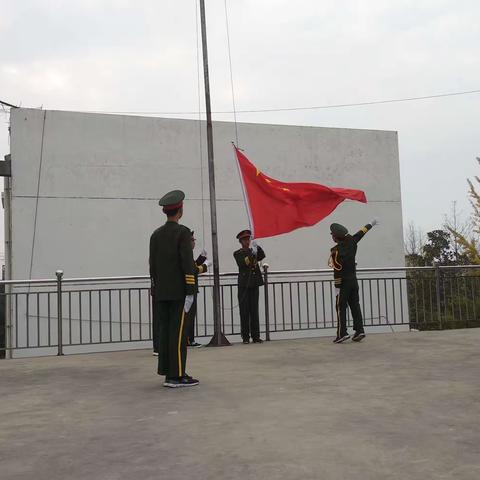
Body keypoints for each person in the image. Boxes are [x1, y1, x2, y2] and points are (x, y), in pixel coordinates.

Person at [149, 189, 199, 387]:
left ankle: (168, 371)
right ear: (180, 209)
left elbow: (152, 266)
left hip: (161, 292)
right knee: (178, 334)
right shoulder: (182, 232)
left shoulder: (156, 235)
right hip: (179, 292)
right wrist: (190, 290)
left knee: (166, 332)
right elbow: (187, 263)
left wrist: (156, 288)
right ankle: (176, 375)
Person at [328, 219, 378, 343]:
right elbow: (361, 232)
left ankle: (342, 333)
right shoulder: (352, 241)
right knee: (355, 305)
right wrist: (370, 224)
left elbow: (337, 270)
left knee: (340, 307)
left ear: (335, 237)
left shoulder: (335, 251)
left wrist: (337, 287)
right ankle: (359, 330)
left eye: (333, 235)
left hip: (343, 283)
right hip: (353, 281)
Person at [233, 230, 266, 344]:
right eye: (245, 240)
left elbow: (262, 256)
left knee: (254, 311)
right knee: (244, 312)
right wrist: (253, 254)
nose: (247, 242)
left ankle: (256, 336)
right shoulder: (238, 253)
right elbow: (244, 263)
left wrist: (258, 248)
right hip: (244, 286)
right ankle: (245, 337)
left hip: (254, 284)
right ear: (241, 242)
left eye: (248, 239)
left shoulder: (254, 251)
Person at [186, 231, 210, 348]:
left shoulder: (188, 253)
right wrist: (205, 266)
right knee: (189, 316)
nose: (194, 242)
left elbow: (194, 264)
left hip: (191, 289)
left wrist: (202, 258)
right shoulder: (186, 254)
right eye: (192, 240)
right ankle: (189, 340)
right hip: (189, 289)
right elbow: (193, 269)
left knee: (191, 315)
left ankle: (190, 339)